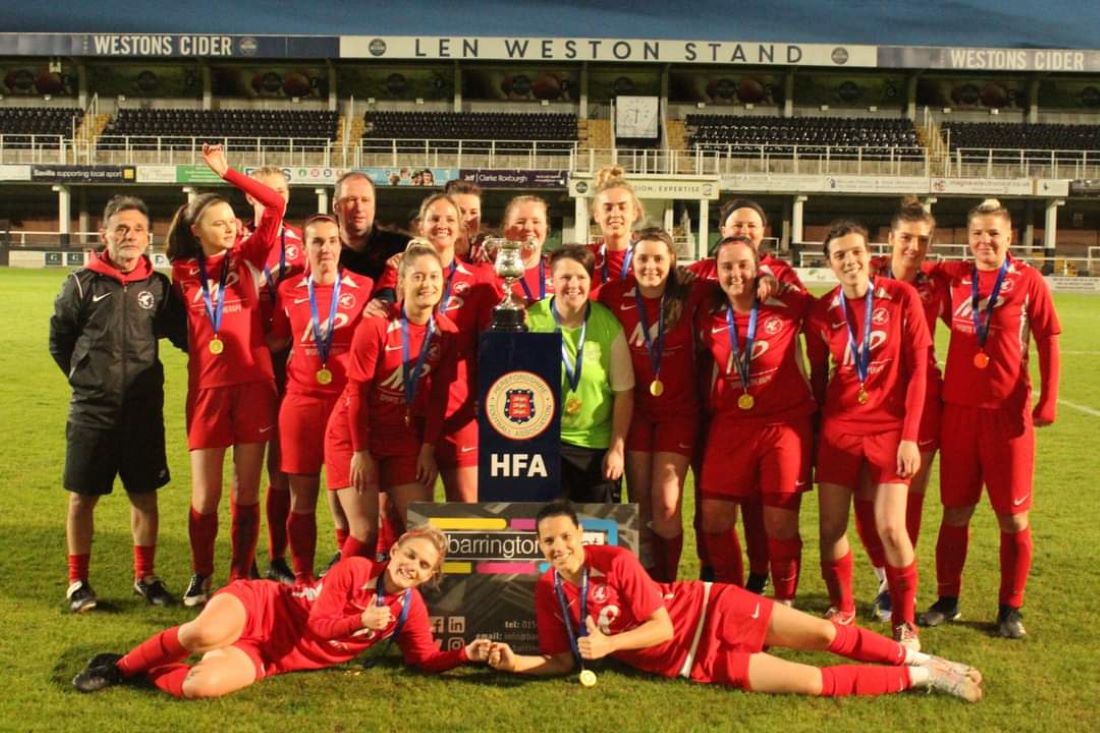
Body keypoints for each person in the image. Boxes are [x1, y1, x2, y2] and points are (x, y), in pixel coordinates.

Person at [486, 501, 981, 702]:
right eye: (548, 543)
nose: (559, 548)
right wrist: (514, 664)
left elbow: (659, 627)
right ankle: (926, 677)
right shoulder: (548, 591)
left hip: (710, 609)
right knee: (810, 682)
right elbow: (556, 660)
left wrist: (609, 646)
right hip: (695, 662)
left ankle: (921, 655)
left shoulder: (612, 558)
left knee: (825, 634)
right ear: (539, 548)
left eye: (565, 537)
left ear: (579, 534)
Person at [72, 527, 492, 698]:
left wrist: (463, 654)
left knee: (201, 686)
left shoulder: (408, 609)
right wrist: (359, 622)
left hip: (272, 656)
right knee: (203, 635)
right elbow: (319, 623)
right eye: (410, 555)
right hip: (262, 608)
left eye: (423, 566)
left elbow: (424, 659)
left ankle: (149, 669)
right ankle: (119, 667)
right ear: (396, 548)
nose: (412, 567)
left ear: (429, 576)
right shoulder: (355, 569)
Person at [920, 199, 1061, 639]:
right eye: (977, 233)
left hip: (1007, 417)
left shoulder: (1028, 281)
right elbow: (911, 266)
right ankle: (947, 600)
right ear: (968, 238)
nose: (985, 241)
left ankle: (1010, 608)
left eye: (993, 233)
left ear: (1009, 237)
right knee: (955, 511)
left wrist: (1048, 398)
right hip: (958, 413)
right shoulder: (955, 278)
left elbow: (1048, 338)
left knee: (1013, 518)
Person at [49, 195, 187, 612]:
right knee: (82, 497)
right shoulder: (80, 284)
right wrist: (86, 380)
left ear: (149, 237)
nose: (130, 236)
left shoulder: (158, 288)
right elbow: (60, 341)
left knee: (145, 496)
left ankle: (144, 577)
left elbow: (185, 337)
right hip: (93, 411)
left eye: (138, 229)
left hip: (143, 413)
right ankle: (78, 583)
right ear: (104, 233)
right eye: (121, 228)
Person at [168, 144, 285, 607]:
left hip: (255, 386)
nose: (231, 227)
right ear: (197, 231)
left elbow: (274, 205)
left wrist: (229, 173)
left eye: (233, 221)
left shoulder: (250, 255)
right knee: (206, 493)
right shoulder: (181, 273)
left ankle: (240, 573)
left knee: (246, 488)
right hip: (207, 393)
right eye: (219, 222)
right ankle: (200, 573)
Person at [807, 221, 930, 649]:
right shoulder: (822, 312)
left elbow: (918, 374)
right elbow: (820, 383)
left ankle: (905, 620)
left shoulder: (902, 298)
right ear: (830, 263)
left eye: (855, 251)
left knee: (891, 528)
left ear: (870, 253)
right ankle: (842, 606)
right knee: (831, 527)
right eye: (839, 255)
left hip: (890, 430)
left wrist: (910, 436)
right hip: (838, 432)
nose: (849, 260)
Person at [688, 197, 801, 592]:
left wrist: (775, 279)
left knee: (769, 511)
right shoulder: (703, 283)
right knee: (714, 508)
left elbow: (818, 316)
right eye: (736, 226)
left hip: (777, 419)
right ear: (722, 232)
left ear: (763, 233)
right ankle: (724, 583)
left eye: (751, 226)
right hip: (721, 414)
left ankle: (766, 580)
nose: (743, 231)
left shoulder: (781, 283)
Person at [324, 242, 458, 559]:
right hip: (353, 434)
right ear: (401, 282)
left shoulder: (446, 332)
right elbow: (356, 393)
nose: (427, 285)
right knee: (366, 532)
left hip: (400, 435)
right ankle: (340, 597)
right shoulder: (376, 326)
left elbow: (439, 397)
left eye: (434, 277)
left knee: (421, 529)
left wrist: (427, 449)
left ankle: (400, 598)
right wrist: (360, 451)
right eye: (419, 277)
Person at [853, 197, 951, 622]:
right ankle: (881, 573)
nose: (914, 247)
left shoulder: (939, 283)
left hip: (922, 399)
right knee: (863, 495)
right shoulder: (866, 274)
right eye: (907, 238)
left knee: (907, 498)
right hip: (869, 400)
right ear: (890, 239)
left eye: (923, 240)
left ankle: (896, 583)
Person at [267, 215, 374, 586]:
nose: (325, 248)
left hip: (347, 405)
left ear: (340, 246)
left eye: (332, 241)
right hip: (302, 403)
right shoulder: (289, 289)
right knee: (302, 498)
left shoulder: (364, 287)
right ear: (306, 247)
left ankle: (345, 578)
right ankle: (302, 579)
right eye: (317, 242)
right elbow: (278, 341)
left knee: (350, 503)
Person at [372, 195, 500, 502]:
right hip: (408, 409)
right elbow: (383, 318)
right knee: (402, 508)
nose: (441, 225)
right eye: (434, 219)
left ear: (462, 229)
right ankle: (388, 553)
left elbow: (490, 346)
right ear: (420, 225)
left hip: (458, 409)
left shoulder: (481, 280)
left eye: (449, 220)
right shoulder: (397, 272)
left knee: (468, 504)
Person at [598, 228, 701, 581]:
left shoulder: (692, 291)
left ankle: (669, 584)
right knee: (640, 505)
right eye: (642, 258)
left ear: (672, 260)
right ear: (631, 260)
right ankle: (649, 584)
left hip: (679, 413)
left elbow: (740, 278)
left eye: (659, 258)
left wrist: (768, 279)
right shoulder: (613, 294)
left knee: (667, 504)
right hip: (634, 413)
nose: (651, 266)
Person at [527, 246, 634, 503]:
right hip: (542, 445)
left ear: (591, 281)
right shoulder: (531, 320)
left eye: (581, 277)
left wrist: (616, 449)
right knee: (543, 529)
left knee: (596, 534)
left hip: (594, 446)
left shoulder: (607, 324)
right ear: (552, 280)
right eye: (565, 277)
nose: (573, 284)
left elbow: (624, 393)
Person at [247, 165, 306, 586]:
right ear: (251, 197)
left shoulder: (302, 246)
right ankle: (243, 556)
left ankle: (277, 556)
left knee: (281, 469)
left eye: (283, 192)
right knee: (244, 469)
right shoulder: (236, 242)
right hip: (247, 366)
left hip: (289, 368)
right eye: (268, 192)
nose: (277, 199)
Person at [333, 171, 411, 281]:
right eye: (351, 200)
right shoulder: (323, 250)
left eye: (365, 200)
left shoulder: (401, 246)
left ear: (374, 206)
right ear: (336, 206)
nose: (359, 208)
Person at [587, 166, 643, 295]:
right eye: (608, 208)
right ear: (596, 215)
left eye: (622, 207)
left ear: (634, 213)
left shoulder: (647, 258)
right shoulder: (585, 258)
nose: (615, 214)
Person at [501, 195, 554, 305]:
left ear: (546, 228)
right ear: (506, 230)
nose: (529, 228)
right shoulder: (493, 273)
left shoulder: (558, 272)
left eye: (536, 222)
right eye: (520, 222)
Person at [442, 179, 486, 262]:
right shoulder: (431, 253)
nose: (468, 219)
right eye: (461, 212)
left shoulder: (487, 252)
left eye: (473, 212)